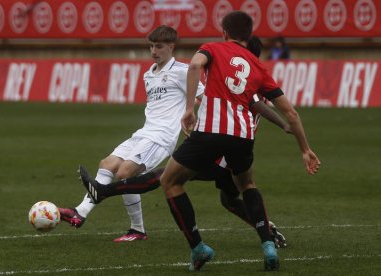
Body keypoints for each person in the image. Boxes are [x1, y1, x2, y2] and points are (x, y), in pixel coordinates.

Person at [79, 35, 289, 249]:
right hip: (235, 149)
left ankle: (104, 191)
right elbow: (257, 106)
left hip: (223, 149)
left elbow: (245, 107)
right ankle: (268, 232)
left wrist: (284, 124)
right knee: (230, 200)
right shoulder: (254, 82)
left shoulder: (242, 83)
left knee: (167, 175)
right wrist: (285, 123)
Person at [157, 11, 319, 271]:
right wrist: (305, 149)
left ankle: (198, 248)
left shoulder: (212, 48)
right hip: (243, 136)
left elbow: (196, 65)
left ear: (224, 32)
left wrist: (189, 108)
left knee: (169, 181)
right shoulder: (258, 66)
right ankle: (267, 244)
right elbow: (291, 112)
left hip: (210, 131)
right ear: (249, 35)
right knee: (247, 185)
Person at [58, 25, 205, 242]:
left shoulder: (182, 71)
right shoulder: (149, 74)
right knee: (107, 164)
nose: (154, 51)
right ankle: (80, 212)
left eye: (159, 46)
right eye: (151, 46)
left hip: (161, 137)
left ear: (171, 47)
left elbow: (204, 95)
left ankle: (136, 229)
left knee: (125, 173)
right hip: (145, 132)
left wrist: (188, 113)